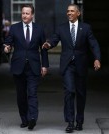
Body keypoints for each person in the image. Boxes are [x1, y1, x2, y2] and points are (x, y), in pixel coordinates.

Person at [42, 4, 101, 133]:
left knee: (81, 93)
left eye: (72, 11)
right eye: (68, 11)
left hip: (81, 65)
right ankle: (70, 122)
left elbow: (93, 44)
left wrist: (97, 58)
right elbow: (54, 39)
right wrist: (48, 44)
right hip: (67, 65)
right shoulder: (61, 28)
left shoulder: (85, 28)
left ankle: (79, 121)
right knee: (69, 91)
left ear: (78, 13)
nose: (69, 13)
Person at [4, 4, 49, 130]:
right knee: (21, 95)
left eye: (27, 13)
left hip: (34, 66)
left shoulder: (39, 29)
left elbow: (44, 49)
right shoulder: (14, 28)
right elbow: (8, 43)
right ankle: (24, 119)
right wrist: (7, 48)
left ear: (32, 15)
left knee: (32, 94)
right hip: (18, 66)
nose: (24, 15)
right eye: (23, 13)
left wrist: (45, 65)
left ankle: (32, 118)